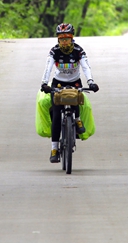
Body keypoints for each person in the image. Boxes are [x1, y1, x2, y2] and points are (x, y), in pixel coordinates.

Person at [40, 22, 99, 163]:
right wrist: (44, 83)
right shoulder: (54, 51)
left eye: (67, 38)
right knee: (56, 114)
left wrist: (90, 81)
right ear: (58, 40)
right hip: (58, 83)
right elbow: (48, 67)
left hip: (75, 82)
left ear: (72, 38)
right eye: (61, 39)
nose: (64, 42)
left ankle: (77, 120)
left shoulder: (79, 51)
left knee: (76, 99)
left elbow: (85, 66)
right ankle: (54, 149)